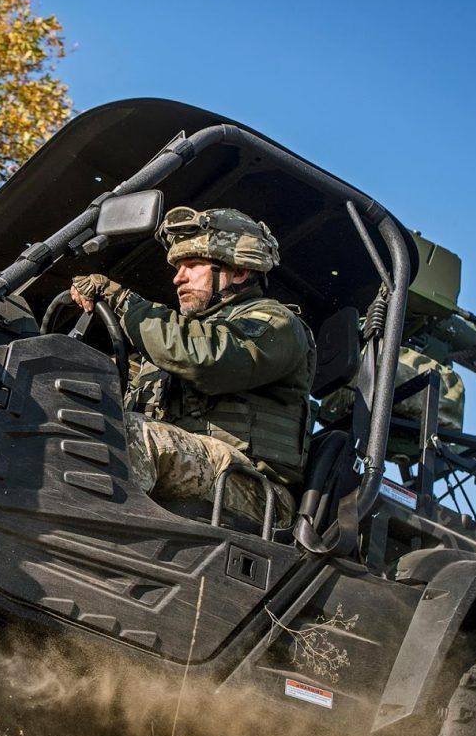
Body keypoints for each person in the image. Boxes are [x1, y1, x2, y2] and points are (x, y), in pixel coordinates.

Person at [70, 206, 316, 529]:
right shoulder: (186, 336)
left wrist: (123, 302)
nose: (178, 277)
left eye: (192, 264)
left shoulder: (276, 323)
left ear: (239, 271)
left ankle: (89, 535)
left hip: (254, 490)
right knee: (85, 419)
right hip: (209, 470)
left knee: (128, 435)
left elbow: (206, 359)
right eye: (178, 266)